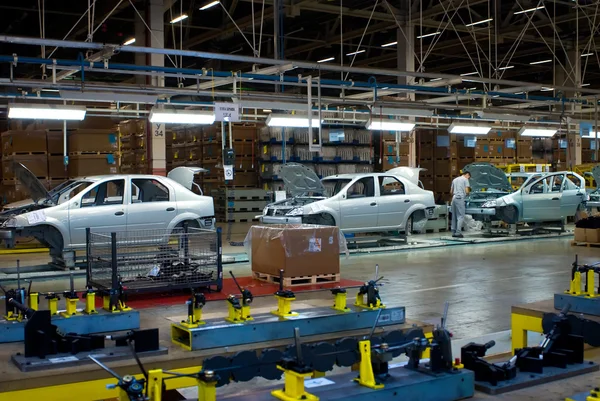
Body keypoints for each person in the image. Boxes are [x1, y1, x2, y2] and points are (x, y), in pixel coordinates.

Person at [450, 171, 471, 238]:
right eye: (469, 177)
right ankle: (458, 233)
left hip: (454, 198)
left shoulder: (455, 179)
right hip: (460, 198)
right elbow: (467, 190)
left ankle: (453, 232)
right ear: (467, 175)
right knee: (460, 216)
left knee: (454, 216)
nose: (469, 178)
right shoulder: (465, 179)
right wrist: (468, 195)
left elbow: (451, 191)